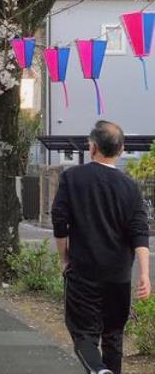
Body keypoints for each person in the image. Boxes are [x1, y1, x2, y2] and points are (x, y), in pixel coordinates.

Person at [51, 120, 151, 374]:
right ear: (121, 149)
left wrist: (64, 258)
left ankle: (98, 370)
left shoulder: (73, 178)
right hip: (118, 276)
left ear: (93, 146)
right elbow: (140, 232)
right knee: (113, 336)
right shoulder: (130, 187)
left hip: (84, 271)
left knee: (83, 334)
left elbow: (60, 221)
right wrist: (143, 275)